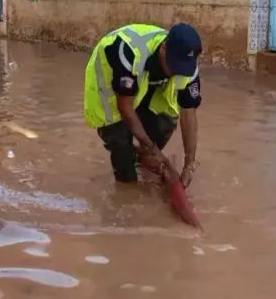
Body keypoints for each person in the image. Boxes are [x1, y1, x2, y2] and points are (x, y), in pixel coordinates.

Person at [84, 22, 202, 187]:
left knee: (164, 123)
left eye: (182, 68)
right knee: (123, 161)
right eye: (174, 66)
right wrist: (153, 149)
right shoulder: (128, 52)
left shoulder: (188, 66)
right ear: (163, 48)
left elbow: (188, 112)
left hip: (147, 88)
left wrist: (190, 163)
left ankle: (142, 156)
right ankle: (132, 159)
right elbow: (124, 106)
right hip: (111, 91)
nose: (177, 72)